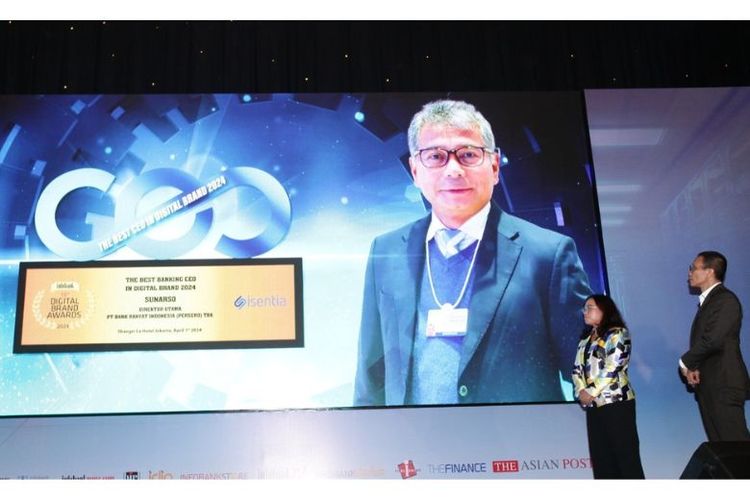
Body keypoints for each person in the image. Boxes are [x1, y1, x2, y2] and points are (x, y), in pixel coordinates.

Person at [353, 99, 592, 406]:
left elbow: (592, 377)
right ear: (415, 170)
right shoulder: (386, 251)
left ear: (494, 166)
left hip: (514, 437)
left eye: (468, 154)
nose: (453, 170)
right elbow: (370, 378)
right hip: (412, 437)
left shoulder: (548, 255)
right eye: (435, 156)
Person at [572, 294, 645, 479]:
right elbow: (577, 369)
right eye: (584, 308)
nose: (585, 312)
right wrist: (580, 391)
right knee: (602, 460)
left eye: (589, 307)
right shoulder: (585, 340)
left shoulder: (618, 333)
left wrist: (590, 391)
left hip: (617, 403)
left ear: (604, 309)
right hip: (594, 407)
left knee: (625, 458)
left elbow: (613, 366)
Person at [680, 251, 750, 441]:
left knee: (737, 447)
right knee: (722, 450)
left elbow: (713, 340)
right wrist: (694, 367)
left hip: (724, 385)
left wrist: (685, 362)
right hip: (710, 386)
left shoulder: (725, 300)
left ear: (710, 271)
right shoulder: (710, 302)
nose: (689, 273)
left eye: (693, 268)